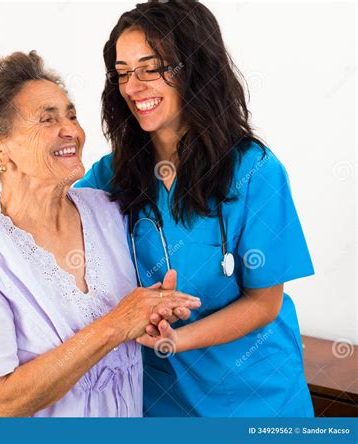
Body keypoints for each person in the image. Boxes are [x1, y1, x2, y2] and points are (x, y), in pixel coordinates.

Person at [75, 0, 315, 417]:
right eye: (123, 73)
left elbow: (264, 303)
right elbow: (49, 220)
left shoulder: (255, 170)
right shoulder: (114, 173)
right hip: (161, 401)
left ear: (195, 69)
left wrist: (175, 339)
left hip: (258, 401)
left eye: (152, 68)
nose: (133, 86)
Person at [0, 50, 201, 417]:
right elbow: (1, 402)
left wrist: (152, 311)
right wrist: (118, 323)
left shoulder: (109, 210)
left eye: (72, 115)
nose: (71, 130)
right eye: (47, 119)